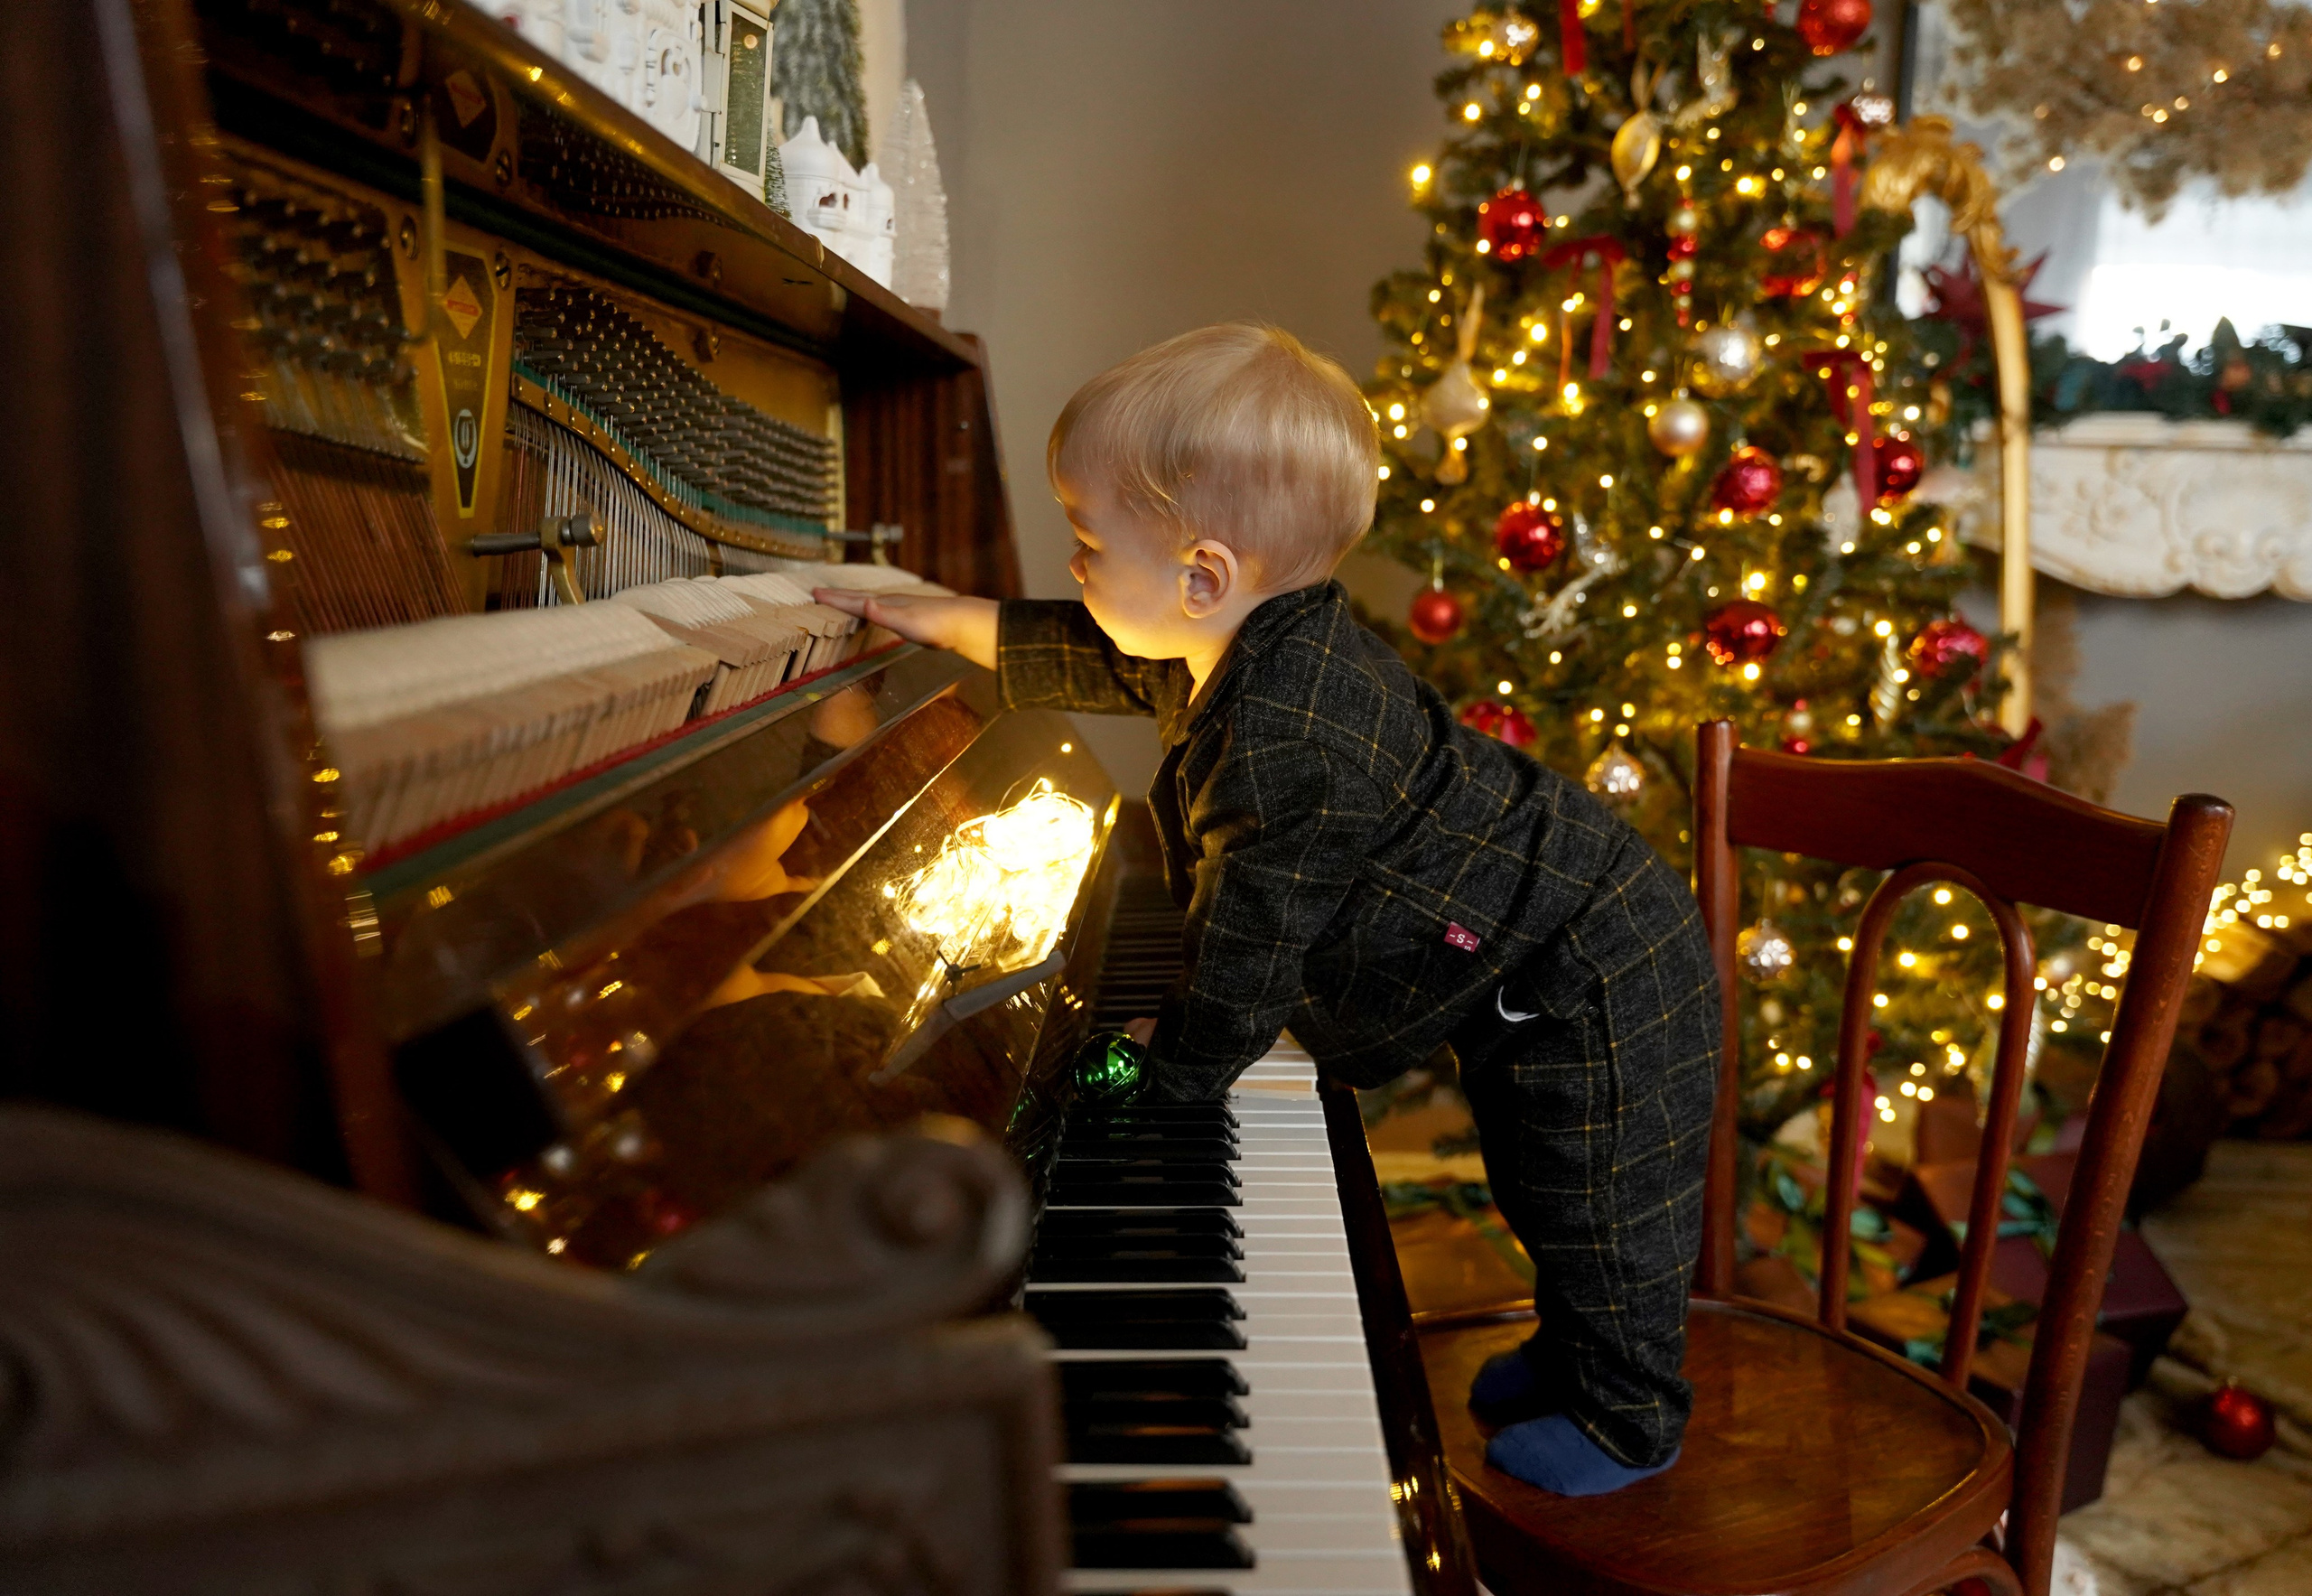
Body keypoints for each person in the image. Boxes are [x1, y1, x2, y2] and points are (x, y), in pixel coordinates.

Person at [814, 322, 1720, 1498]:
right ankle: (1576, 1349)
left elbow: (1250, 946)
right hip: (1529, 945)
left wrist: (1171, 1069)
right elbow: (1105, 654)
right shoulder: (1243, 635)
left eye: (1088, 543)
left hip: (1593, 969)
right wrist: (946, 619)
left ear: (1202, 576)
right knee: (1542, 1183)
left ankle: (1629, 1416)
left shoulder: (1287, 735)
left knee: (1592, 1191)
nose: (1075, 566)